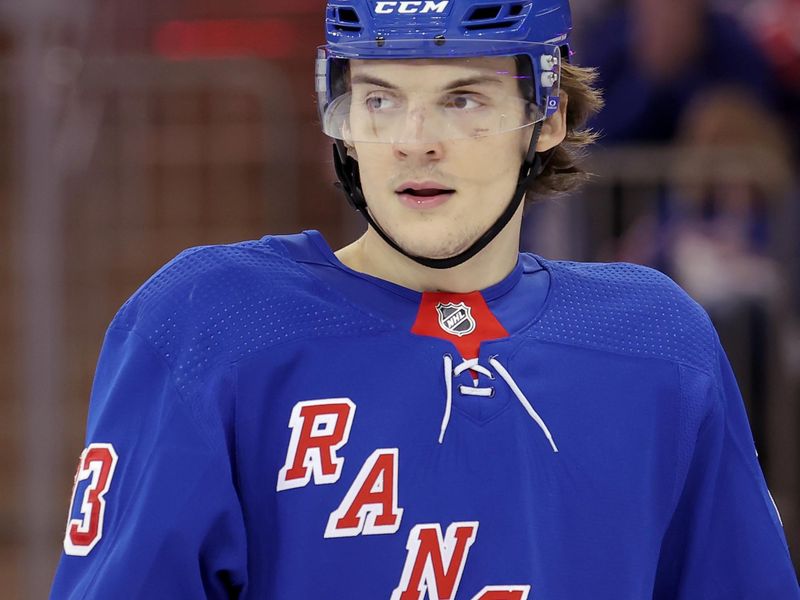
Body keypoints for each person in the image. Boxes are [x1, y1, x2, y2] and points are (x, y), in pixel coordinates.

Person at [51, 0, 799, 598]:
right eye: (380, 99)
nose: (415, 140)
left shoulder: (658, 342)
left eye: (464, 99)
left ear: (548, 117)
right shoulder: (209, 324)